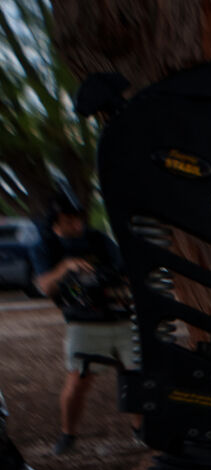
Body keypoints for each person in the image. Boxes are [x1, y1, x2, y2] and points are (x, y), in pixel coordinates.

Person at [29, 191, 136, 455]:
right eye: (70, 219)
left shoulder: (97, 239)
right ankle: (68, 434)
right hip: (84, 323)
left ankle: (140, 431)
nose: (78, 224)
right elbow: (44, 286)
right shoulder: (45, 246)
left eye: (79, 218)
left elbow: (124, 267)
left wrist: (112, 277)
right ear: (57, 219)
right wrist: (67, 266)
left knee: (136, 376)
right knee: (79, 380)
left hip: (122, 318)